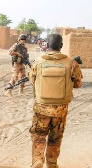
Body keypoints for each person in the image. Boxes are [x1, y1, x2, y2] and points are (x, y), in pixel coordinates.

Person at [28, 34, 82, 168]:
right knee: (55, 138)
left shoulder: (38, 62)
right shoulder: (71, 63)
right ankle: (52, 164)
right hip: (60, 110)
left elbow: (32, 81)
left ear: (47, 45)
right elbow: (78, 84)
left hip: (41, 108)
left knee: (39, 136)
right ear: (61, 46)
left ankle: (37, 161)